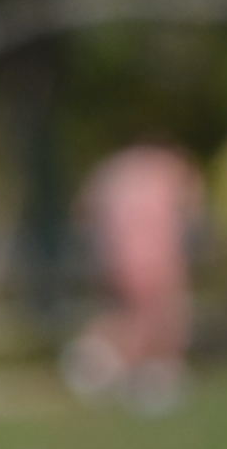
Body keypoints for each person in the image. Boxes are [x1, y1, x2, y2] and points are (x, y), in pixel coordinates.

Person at [64, 142, 205, 410]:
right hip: (155, 253)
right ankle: (119, 370)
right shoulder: (168, 170)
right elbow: (192, 207)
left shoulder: (112, 171)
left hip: (117, 255)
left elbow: (83, 211)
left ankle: (110, 367)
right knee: (160, 314)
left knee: (130, 315)